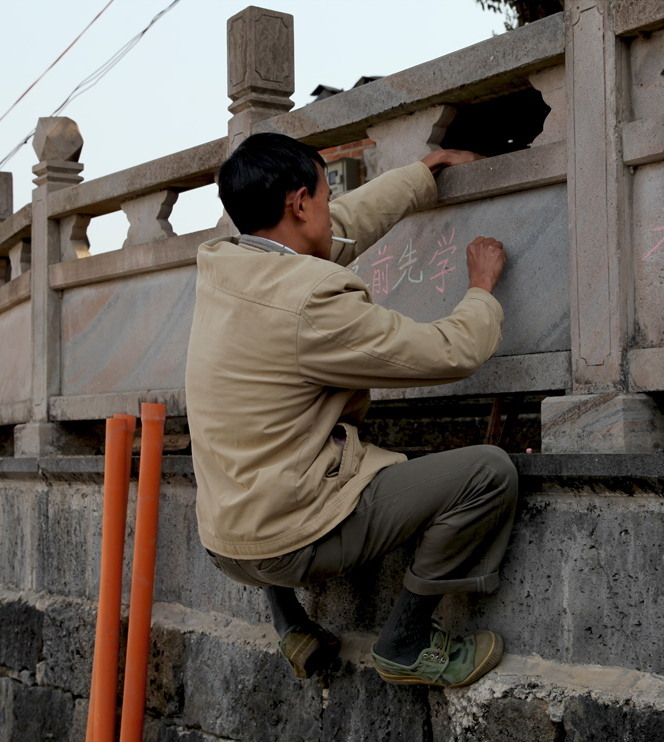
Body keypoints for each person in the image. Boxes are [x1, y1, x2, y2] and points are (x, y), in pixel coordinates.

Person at [186, 132, 518, 688]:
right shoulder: (311, 301)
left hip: (222, 541)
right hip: (288, 542)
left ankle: (291, 623)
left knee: (267, 449)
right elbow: (451, 352)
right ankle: (408, 640)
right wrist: (482, 288)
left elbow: (338, 227)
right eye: (321, 194)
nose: (329, 207)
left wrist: (420, 173)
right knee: (489, 472)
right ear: (298, 203)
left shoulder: (228, 269)